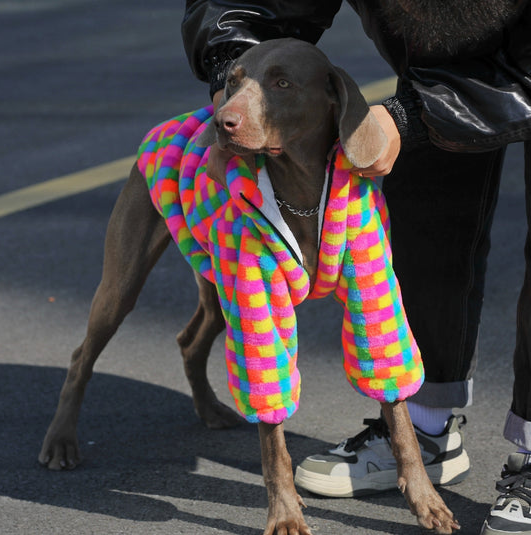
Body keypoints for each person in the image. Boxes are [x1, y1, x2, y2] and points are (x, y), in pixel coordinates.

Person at [182, 1, 531, 533]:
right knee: (428, 205)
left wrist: (412, 115)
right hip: (432, 65)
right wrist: (233, 64)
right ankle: (425, 425)